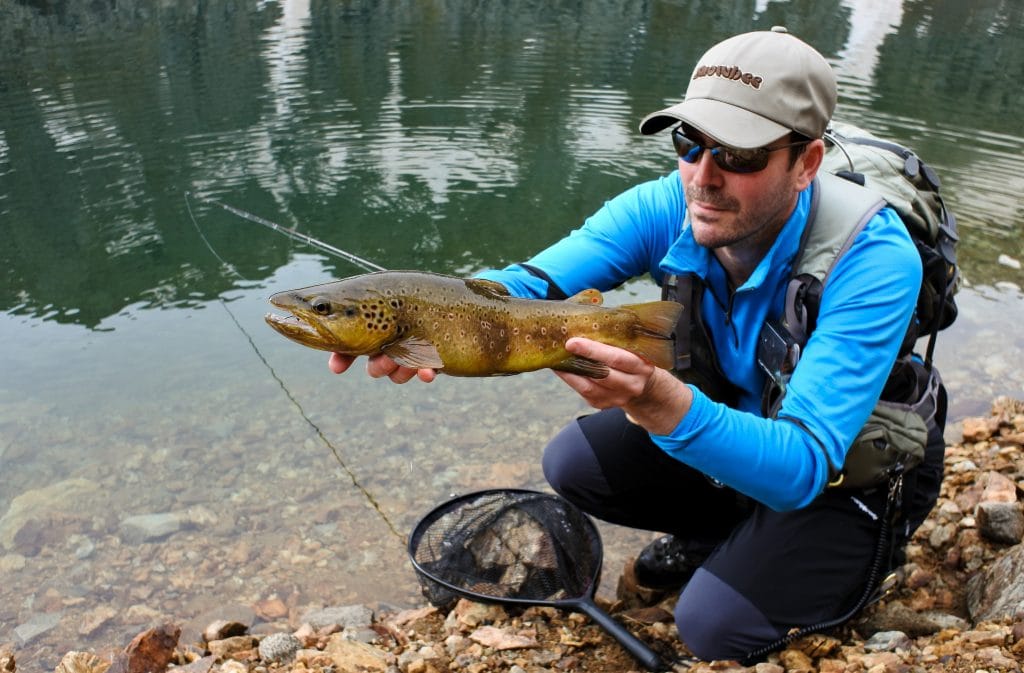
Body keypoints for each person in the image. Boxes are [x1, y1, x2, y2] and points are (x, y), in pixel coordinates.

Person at [329, 27, 946, 662]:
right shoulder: (666, 205)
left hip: (844, 474)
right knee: (578, 463)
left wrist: (657, 402)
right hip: (739, 423)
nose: (704, 177)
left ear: (806, 163)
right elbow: (524, 288)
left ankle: (863, 559)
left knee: (713, 628)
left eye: (740, 155)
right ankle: (725, 534)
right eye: (690, 142)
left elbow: (800, 469)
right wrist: (413, 320)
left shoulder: (874, 260)